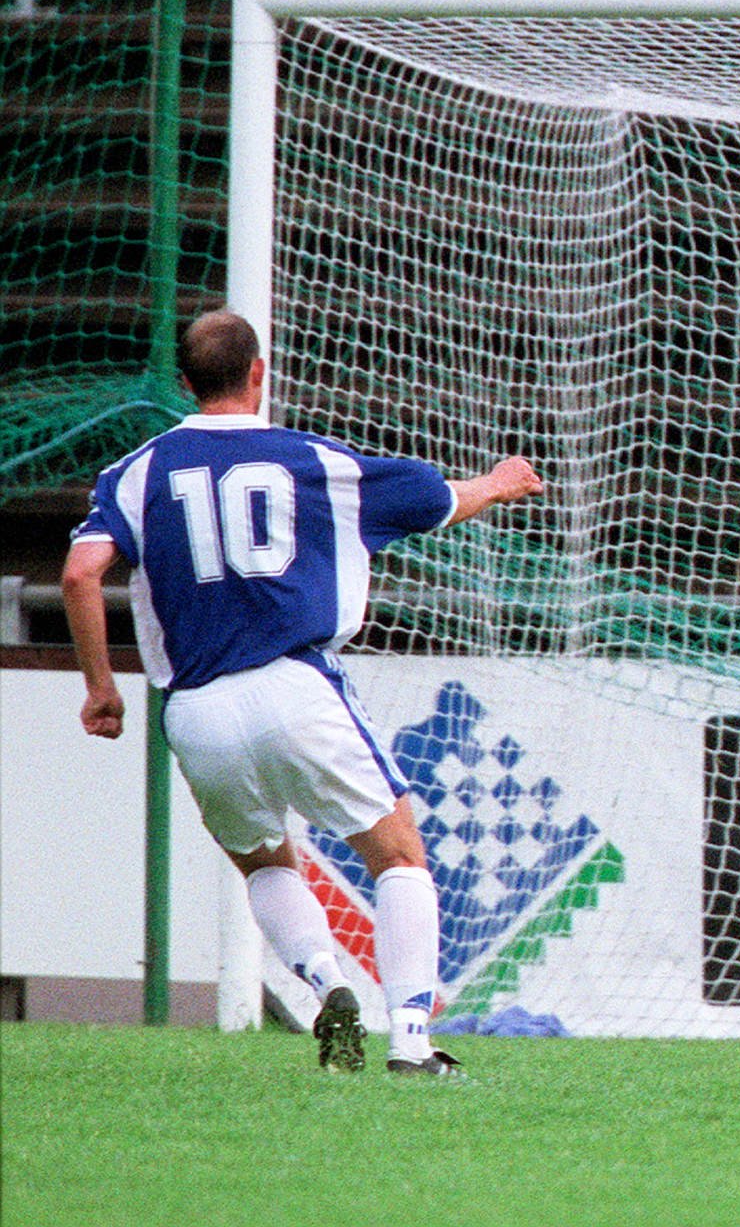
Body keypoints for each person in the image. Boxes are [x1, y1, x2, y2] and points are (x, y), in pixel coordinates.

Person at [62, 309, 543, 1075]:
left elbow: (81, 575)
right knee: (398, 856)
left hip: (197, 709)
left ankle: (326, 988)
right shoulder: (314, 462)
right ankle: (413, 1043)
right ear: (260, 371)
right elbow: (434, 500)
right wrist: (498, 482)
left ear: (183, 384)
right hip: (297, 685)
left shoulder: (136, 473)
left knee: (263, 862)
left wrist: (101, 689)